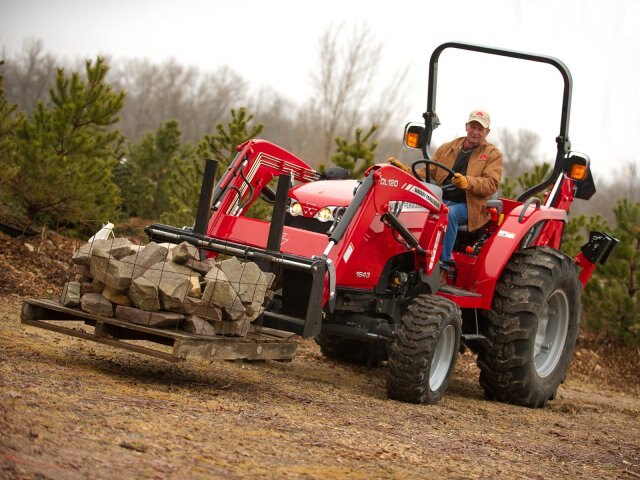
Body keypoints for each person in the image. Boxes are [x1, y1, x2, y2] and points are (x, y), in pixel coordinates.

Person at [389, 110, 503, 280]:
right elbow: (431, 171)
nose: (475, 132)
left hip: (469, 206)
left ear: (487, 132)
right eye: (473, 126)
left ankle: (443, 264)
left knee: (448, 214)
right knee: (414, 208)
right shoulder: (449, 148)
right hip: (442, 199)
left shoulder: (493, 155)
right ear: (466, 126)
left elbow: (491, 184)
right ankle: (403, 256)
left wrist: (467, 182)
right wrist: (406, 172)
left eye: (480, 129)